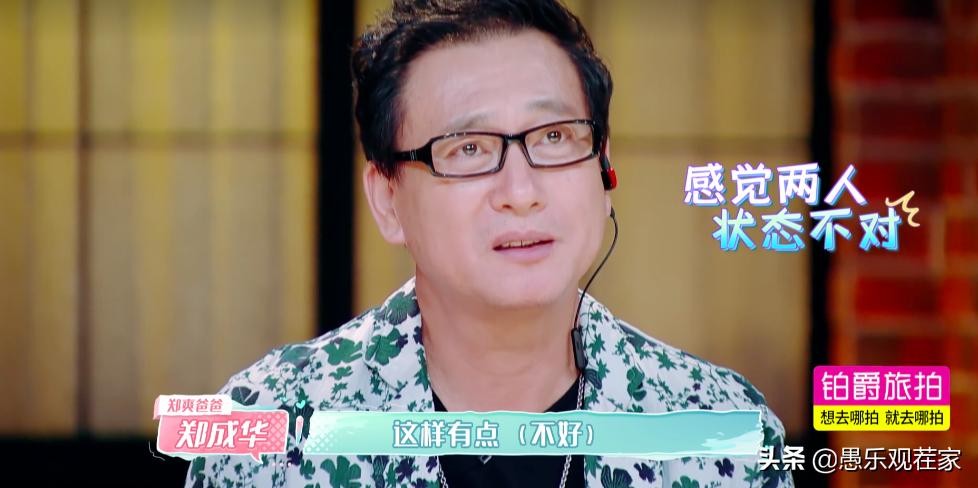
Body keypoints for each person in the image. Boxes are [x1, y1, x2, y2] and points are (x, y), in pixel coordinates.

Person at [186, 1, 793, 486]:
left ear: (604, 169)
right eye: (469, 149)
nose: (520, 192)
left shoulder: (722, 433)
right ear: (388, 200)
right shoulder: (266, 436)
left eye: (554, 137)